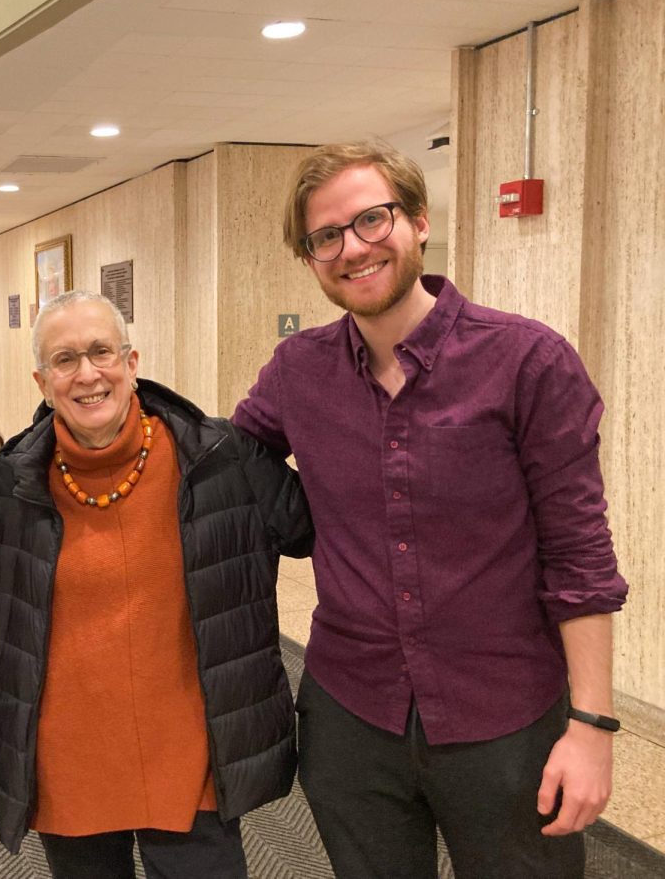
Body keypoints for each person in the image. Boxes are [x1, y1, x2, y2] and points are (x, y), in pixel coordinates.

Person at [232, 140, 628, 879]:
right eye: (326, 237)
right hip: (351, 714)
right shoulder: (298, 372)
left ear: (417, 222)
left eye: (371, 220)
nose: (353, 248)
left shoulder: (527, 362)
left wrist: (592, 726)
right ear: (311, 257)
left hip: (503, 715)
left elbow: (581, 558)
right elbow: (227, 457)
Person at [0, 290, 314, 879]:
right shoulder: (7, 485)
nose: (87, 374)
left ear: (132, 364)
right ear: (41, 380)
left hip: (192, 752)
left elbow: (324, 527)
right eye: (64, 359)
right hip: (69, 760)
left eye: (102, 352)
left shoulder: (219, 458)